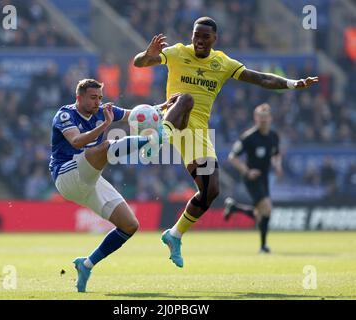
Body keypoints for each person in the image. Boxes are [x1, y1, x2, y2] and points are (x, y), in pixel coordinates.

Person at [133, 17, 319, 267]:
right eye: (196, 35)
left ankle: (174, 234)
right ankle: (158, 137)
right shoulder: (177, 52)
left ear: (214, 39)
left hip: (198, 134)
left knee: (211, 191)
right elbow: (139, 63)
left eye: (204, 36)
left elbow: (261, 79)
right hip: (174, 120)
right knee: (185, 97)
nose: (199, 40)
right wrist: (148, 54)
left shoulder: (222, 63)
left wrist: (292, 83)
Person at [49, 79, 185, 292]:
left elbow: (137, 114)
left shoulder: (103, 110)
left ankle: (86, 265)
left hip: (89, 180)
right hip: (67, 175)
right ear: (79, 97)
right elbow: (76, 142)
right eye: (93, 98)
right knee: (104, 147)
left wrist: (164, 106)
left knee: (130, 225)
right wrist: (105, 125)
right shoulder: (65, 115)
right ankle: (151, 140)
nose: (97, 102)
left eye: (100, 98)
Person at [224, 103, 282, 253]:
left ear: (270, 118)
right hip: (252, 178)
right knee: (267, 210)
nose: (263, 120)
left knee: (261, 214)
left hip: (264, 178)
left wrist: (277, 166)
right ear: (255, 118)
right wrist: (247, 171)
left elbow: (276, 154)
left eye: (266, 117)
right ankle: (263, 247)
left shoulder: (274, 136)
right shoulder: (248, 137)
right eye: (260, 118)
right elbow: (233, 157)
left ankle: (234, 207)